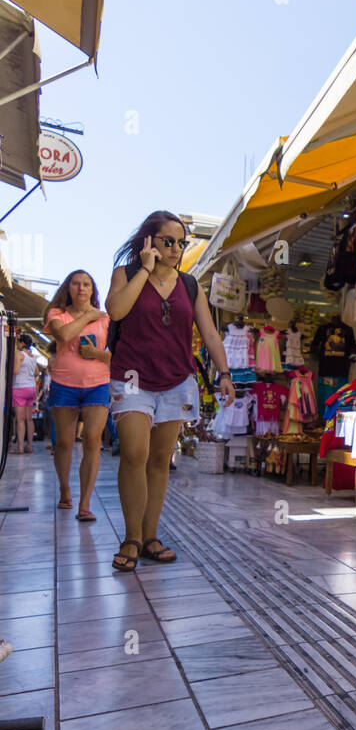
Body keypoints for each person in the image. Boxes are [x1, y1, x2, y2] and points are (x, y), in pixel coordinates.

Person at [105, 211, 234, 573]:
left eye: (182, 242)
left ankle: (149, 536)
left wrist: (224, 373)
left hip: (177, 379)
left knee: (161, 461)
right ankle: (130, 537)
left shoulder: (191, 285)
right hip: (131, 376)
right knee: (134, 453)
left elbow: (209, 334)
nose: (177, 248)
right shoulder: (127, 274)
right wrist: (145, 269)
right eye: (168, 241)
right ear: (149, 241)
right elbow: (115, 311)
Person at [44, 272, 111, 519]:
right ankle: (64, 490)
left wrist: (96, 354)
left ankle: (85, 504)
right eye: (76, 283)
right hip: (64, 383)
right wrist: (87, 317)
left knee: (93, 440)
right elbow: (63, 335)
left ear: (93, 290)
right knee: (64, 442)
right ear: (68, 288)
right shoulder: (57, 315)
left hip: (98, 383)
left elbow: (117, 354)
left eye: (86, 284)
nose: (81, 288)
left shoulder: (105, 318)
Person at [11, 334, 38, 453]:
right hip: (31, 388)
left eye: (18, 342)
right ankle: (29, 446)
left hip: (19, 388)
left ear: (22, 343)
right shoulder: (32, 356)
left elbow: (16, 370)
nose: (17, 344)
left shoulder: (19, 354)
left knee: (20, 420)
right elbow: (36, 373)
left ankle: (20, 447)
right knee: (29, 419)